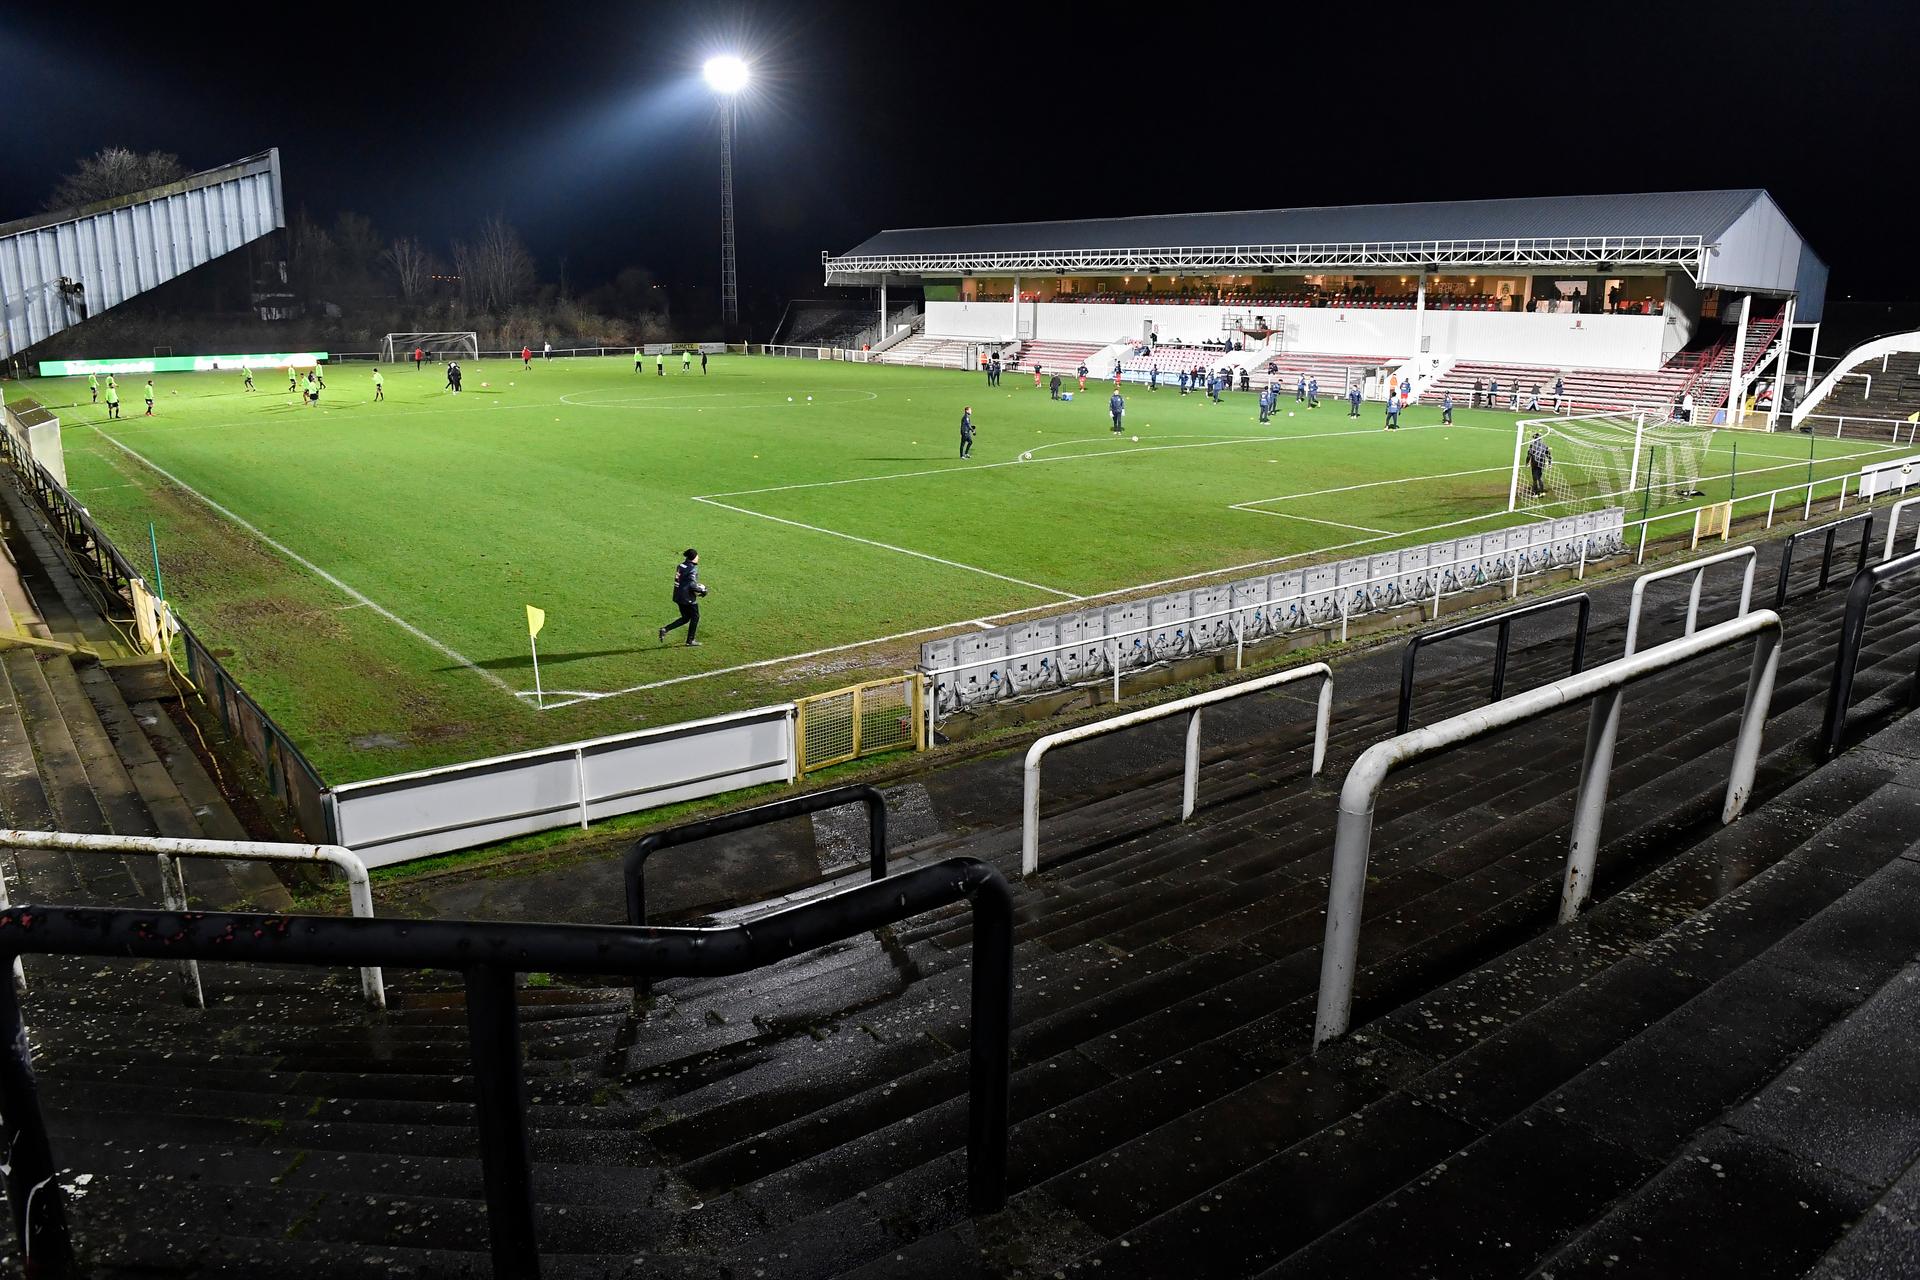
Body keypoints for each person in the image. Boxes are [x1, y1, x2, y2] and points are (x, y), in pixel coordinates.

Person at [657, 548, 708, 647]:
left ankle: (665, 629)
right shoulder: (692, 569)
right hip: (687, 598)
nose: (698, 557)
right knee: (695, 617)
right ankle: (690, 640)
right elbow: (692, 585)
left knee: (685, 618)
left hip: (678, 596)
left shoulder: (680, 565)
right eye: (697, 556)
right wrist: (702, 590)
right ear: (693, 557)